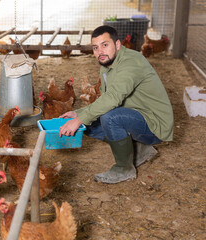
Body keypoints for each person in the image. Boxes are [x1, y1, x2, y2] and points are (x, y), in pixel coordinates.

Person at [59, 25, 174, 184]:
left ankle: (124, 169)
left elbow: (113, 99)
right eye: (95, 48)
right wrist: (80, 113)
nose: (100, 52)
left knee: (109, 118)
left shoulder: (131, 63)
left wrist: (79, 119)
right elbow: (105, 98)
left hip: (154, 123)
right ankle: (139, 151)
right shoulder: (107, 65)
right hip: (135, 114)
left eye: (105, 45)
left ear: (118, 45)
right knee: (89, 123)